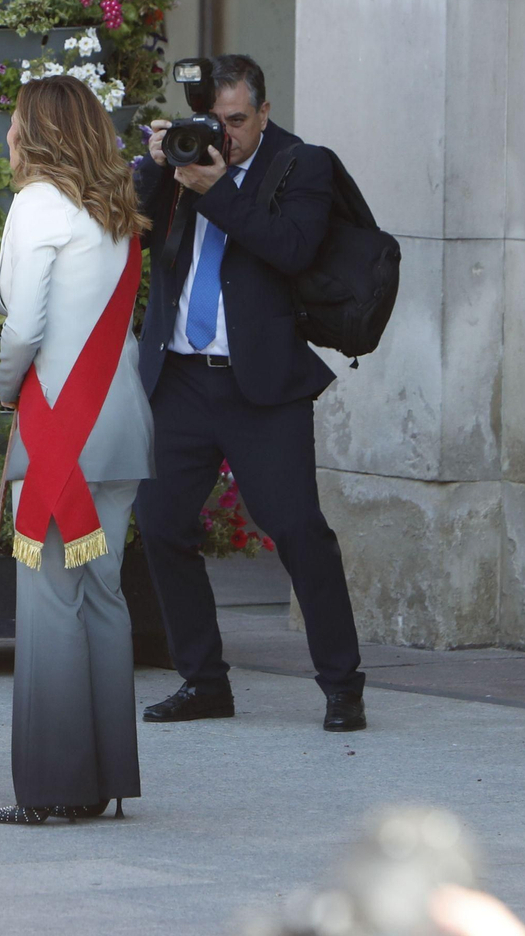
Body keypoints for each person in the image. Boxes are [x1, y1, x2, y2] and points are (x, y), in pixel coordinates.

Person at [0, 75, 153, 824]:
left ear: (40, 133)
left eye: (16, 123)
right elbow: (66, 301)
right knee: (104, 597)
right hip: (117, 426)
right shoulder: (113, 210)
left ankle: (53, 789)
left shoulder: (34, 204)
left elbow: (25, 328)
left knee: (51, 603)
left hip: (61, 429)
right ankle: (108, 777)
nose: (9, 136)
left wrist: (4, 385)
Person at [132, 54, 367, 732]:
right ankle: (203, 681)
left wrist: (215, 187)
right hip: (178, 376)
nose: (225, 136)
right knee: (162, 524)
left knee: (297, 531)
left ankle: (341, 682)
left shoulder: (301, 165)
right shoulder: (182, 159)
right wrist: (155, 166)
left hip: (260, 383)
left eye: (238, 121)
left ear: (264, 112)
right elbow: (131, 228)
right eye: (215, 122)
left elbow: (291, 248)